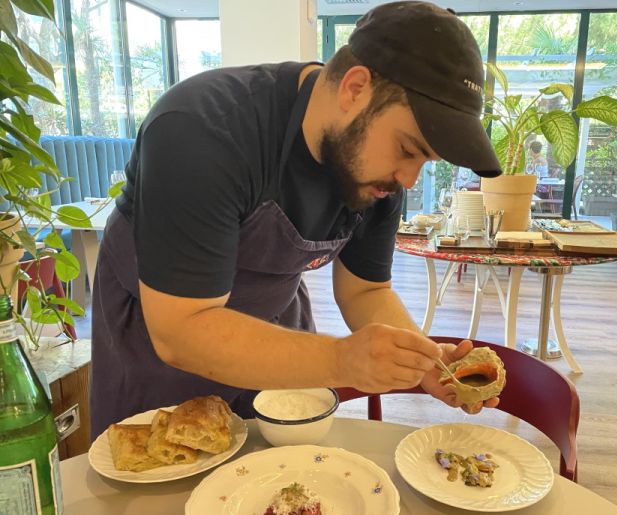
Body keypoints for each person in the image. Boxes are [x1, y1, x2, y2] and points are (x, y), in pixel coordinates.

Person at [89, 1, 503, 437]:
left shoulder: (379, 175)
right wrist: (342, 359)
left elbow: (365, 290)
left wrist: (425, 363)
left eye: (425, 161)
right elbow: (181, 331)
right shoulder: (202, 132)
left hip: (275, 335)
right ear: (355, 89)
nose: (408, 178)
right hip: (155, 342)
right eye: (407, 148)